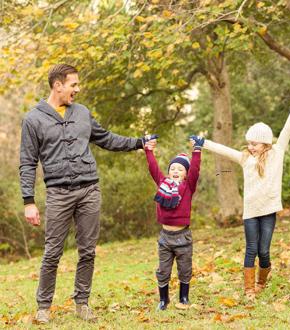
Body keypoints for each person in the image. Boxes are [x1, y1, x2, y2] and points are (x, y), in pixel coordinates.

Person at [19, 64, 146, 323]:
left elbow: (106, 138)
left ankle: (82, 302)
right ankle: (43, 306)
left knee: (87, 251)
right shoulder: (34, 119)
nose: (78, 89)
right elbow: (27, 162)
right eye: (73, 85)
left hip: (89, 189)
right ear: (58, 85)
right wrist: (28, 201)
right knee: (52, 251)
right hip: (58, 193)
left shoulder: (82, 113)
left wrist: (138, 143)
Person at [200, 100, 290, 300]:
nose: (250, 147)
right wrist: (203, 143)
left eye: (254, 144)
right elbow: (224, 150)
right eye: (249, 143)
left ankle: (262, 282)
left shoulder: (277, 153)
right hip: (250, 213)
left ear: (265, 143)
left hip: (268, 211)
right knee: (251, 249)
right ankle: (249, 290)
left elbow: (288, 128)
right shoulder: (245, 158)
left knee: (264, 251)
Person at [144, 135, 202, 310]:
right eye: (173, 168)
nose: (176, 171)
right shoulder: (163, 184)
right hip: (165, 238)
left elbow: (195, 170)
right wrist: (149, 151)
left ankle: (184, 297)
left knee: (185, 269)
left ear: (185, 174)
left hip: (183, 237)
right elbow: (153, 168)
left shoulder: (188, 187)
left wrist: (197, 151)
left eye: (180, 169)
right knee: (163, 270)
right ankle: (164, 300)